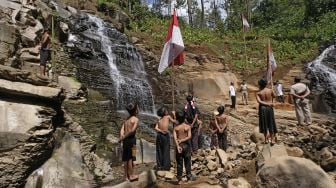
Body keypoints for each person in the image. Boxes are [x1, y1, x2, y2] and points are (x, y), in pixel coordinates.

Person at [119, 103, 139, 181]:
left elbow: (122, 129)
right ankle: (131, 175)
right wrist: (123, 137)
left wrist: (122, 137)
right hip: (131, 140)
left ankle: (126, 176)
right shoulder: (136, 119)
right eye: (137, 109)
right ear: (135, 111)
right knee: (131, 158)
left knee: (126, 158)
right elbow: (132, 131)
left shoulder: (127, 119)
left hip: (125, 141)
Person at [173, 110, 193, 184]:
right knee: (187, 162)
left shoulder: (176, 128)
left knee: (179, 163)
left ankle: (179, 179)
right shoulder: (187, 127)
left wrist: (178, 145)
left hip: (179, 146)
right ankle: (188, 177)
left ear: (177, 119)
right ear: (185, 117)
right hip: (186, 146)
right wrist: (183, 140)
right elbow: (189, 136)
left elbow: (175, 138)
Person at [256, 79, 277, 144]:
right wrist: (270, 103)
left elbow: (259, 101)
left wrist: (266, 103)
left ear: (260, 85)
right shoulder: (270, 90)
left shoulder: (259, 93)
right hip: (269, 108)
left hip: (262, 108)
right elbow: (274, 96)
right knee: (271, 123)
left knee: (264, 123)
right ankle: (272, 139)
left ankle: (266, 139)